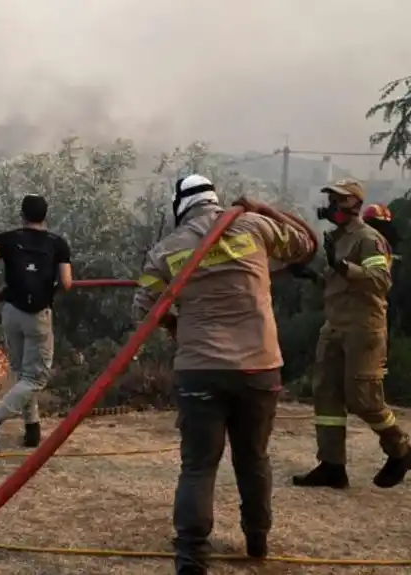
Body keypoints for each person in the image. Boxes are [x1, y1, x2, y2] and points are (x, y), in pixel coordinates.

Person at [133, 174, 317, 575]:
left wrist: (176, 328)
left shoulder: (166, 251)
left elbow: (145, 305)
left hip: (199, 370)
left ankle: (191, 557)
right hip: (259, 367)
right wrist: (264, 208)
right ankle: (257, 539)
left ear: (179, 206)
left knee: (198, 465)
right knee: (253, 459)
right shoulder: (254, 226)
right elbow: (304, 245)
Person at [292, 180, 411, 490]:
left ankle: (400, 450)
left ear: (354, 204)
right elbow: (337, 285)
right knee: (327, 395)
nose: (331, 205)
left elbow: (379, 281)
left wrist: (342, 265)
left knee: (363, 398)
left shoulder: (369, 239)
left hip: (363, 329)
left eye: (337, 199)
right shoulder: (337, 239)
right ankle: (332, 466)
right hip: (334, 325)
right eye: (330, 199)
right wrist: (312, 275)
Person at [0, 194, 72, 451]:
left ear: (22, 215)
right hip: (38, 315)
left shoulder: (8, 238)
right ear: (45, 216)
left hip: (12, 312)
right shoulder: (58, 243)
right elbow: (67, 283)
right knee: (34, 379)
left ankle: (32, 429)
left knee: (21, 372)